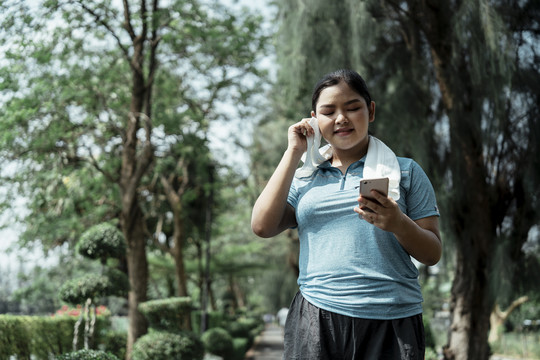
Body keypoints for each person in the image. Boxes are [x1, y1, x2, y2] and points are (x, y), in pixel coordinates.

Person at [251, 69, 441, 359]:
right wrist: (293, 152)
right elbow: (262, 226)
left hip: (392, 320)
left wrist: (398, 223)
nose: (341, 118)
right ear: (314, 119)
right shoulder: (303, 176)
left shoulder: (406, 172)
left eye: (353, 108)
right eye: (328, 111)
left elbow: (432, 253)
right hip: (316, 318)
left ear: (371, 110)